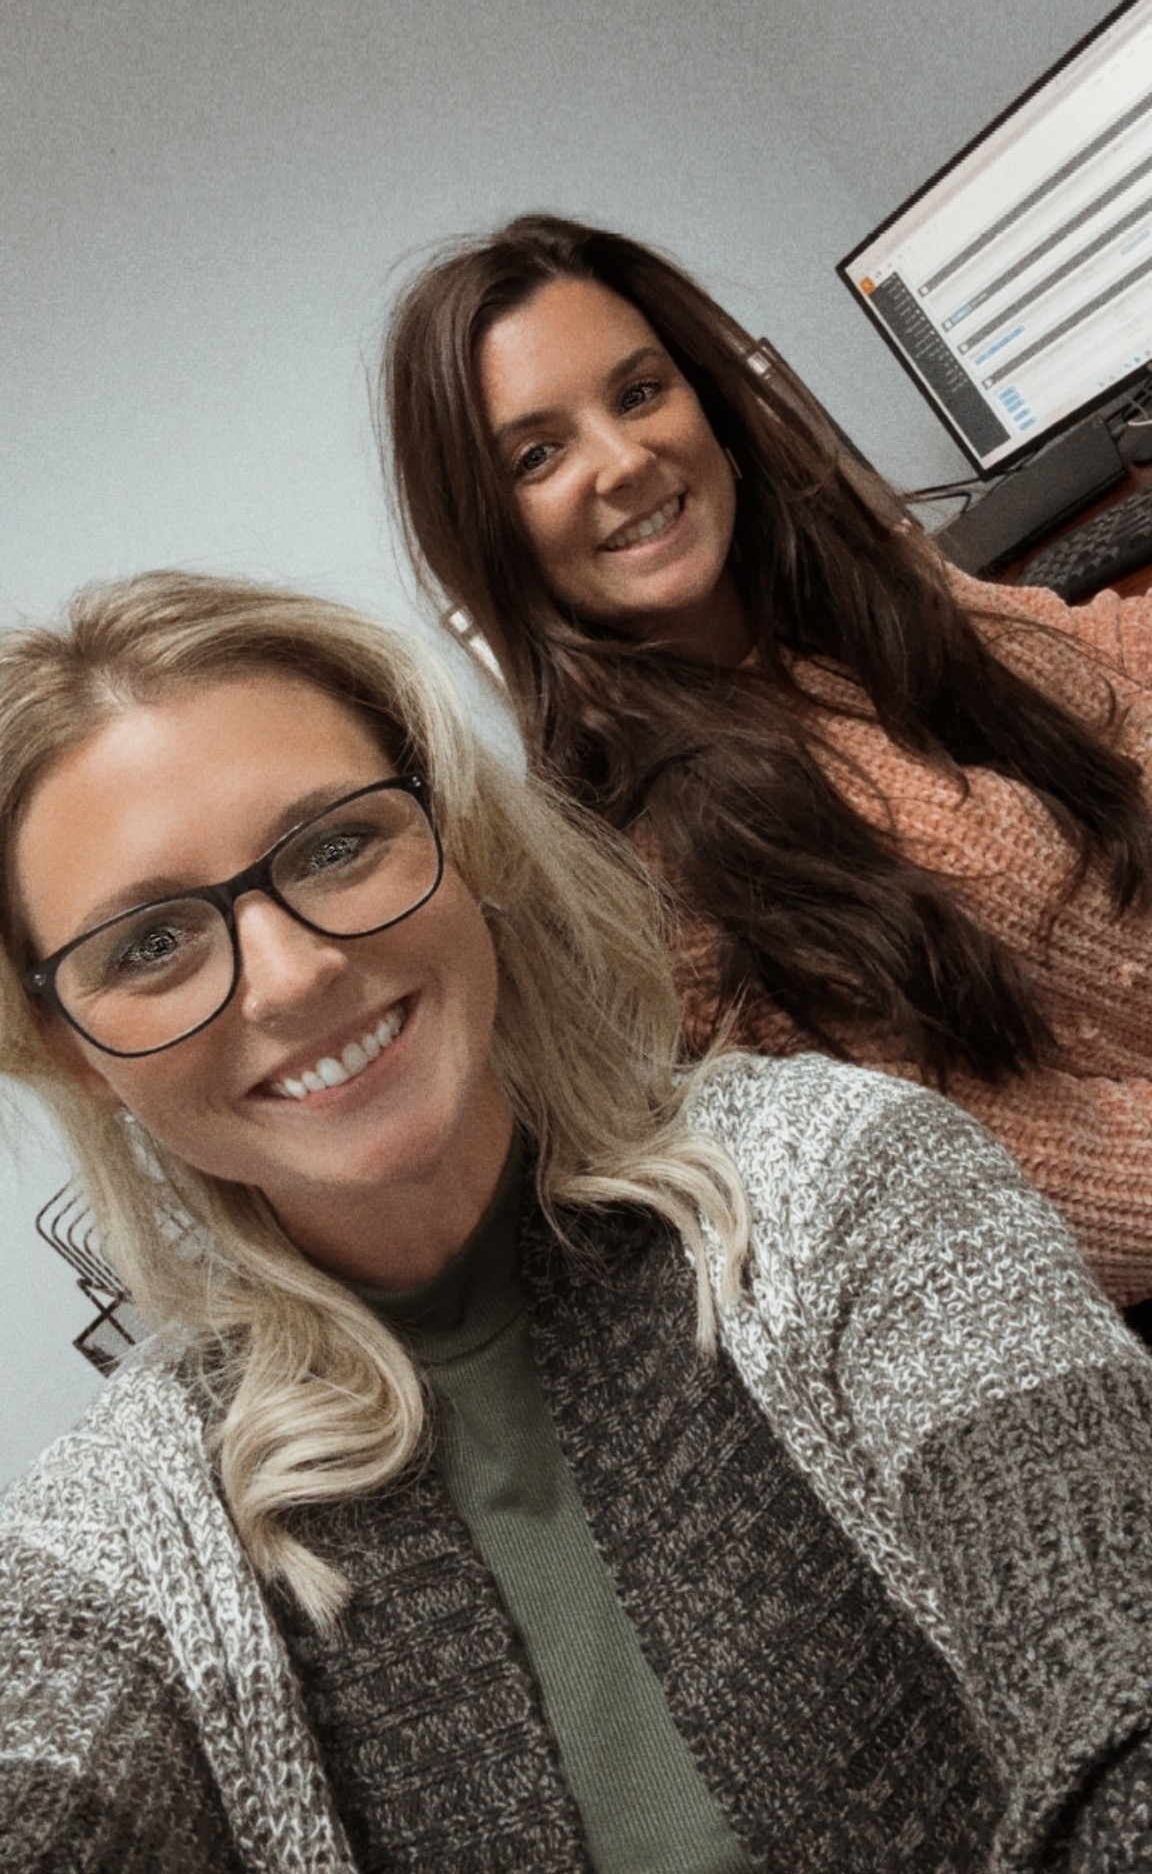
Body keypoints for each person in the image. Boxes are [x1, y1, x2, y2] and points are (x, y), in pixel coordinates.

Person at [4, 568, 1152, 1873]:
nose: (294, 973)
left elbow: (1109, 1642)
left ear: (455, 839)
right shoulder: (119, 1526)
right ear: (75, 1048)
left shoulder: (843, 1180)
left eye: (333, 845)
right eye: (149, 943)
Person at [383, 211, 1152, 1309]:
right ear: (486, 529)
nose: (625, 460)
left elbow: (1096, 666)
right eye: (538, 455)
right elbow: (1044, 1185)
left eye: (639, 392)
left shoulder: (862, 604)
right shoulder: (658, 885)